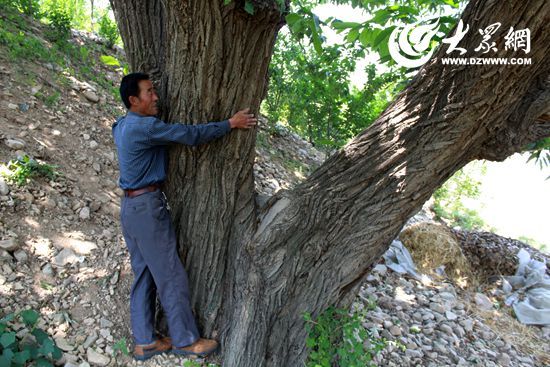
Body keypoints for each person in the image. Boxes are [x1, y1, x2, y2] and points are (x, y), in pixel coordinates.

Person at [112, 72, 256, 361]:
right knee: (170, 275)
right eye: (149, 92)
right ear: (133, 99)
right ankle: (185, 340)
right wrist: (230, 123)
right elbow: (189, 135)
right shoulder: (146, 128)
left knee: (144, 274)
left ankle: (145, 341)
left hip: (130, 208)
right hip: (147, 209)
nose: (156, 97)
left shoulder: (121, 126)